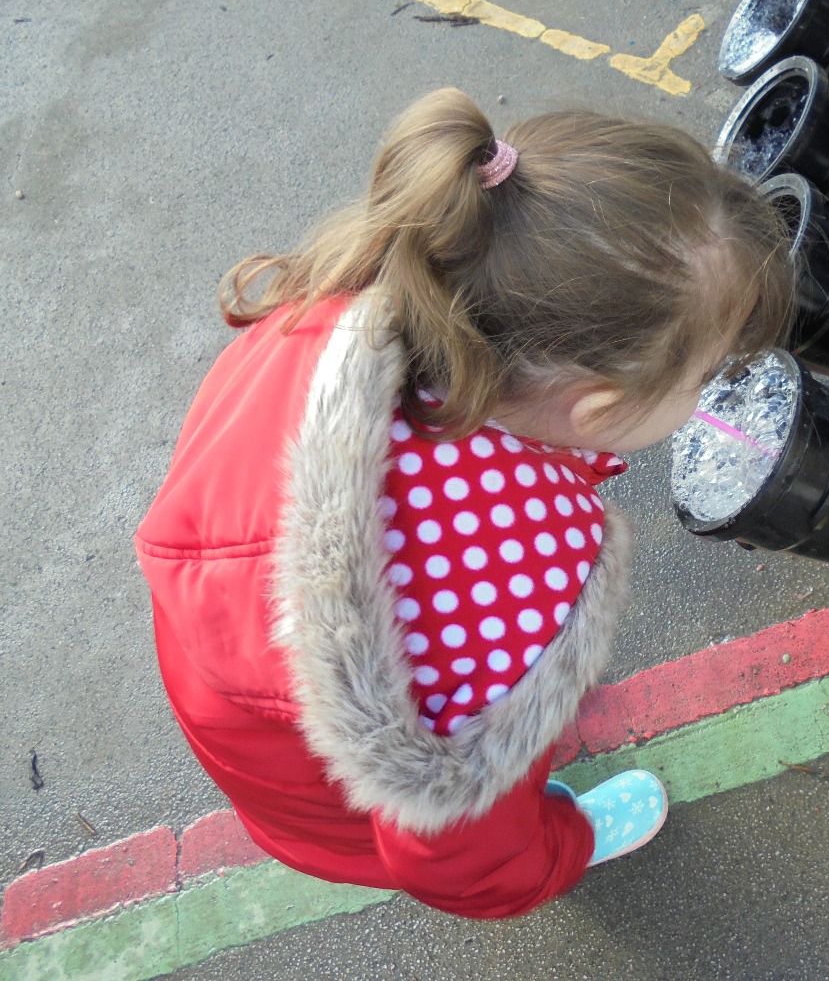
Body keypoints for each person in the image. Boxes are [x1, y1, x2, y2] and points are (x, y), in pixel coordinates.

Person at [134, 88, 793, 919]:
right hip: (338, 798)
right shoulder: (506, 613)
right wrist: (554, 851)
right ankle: (571, 821)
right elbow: (462, 858)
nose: (705, 391)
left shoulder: (358, 305)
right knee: (506, 792)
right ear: (595, 408)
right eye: (701, 375)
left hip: (234, 684)